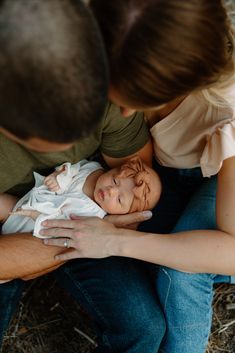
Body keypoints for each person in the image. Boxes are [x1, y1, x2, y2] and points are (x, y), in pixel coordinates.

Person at [40, 1, 235, 353]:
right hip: (161, 182)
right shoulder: (109, 29)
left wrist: (116, 241)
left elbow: (230, 249)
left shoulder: (228, 109)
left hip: (220, 190)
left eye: (137, 101)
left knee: (182, 271)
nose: (127, 113)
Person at [0, 1, 165, 353]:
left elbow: (133, 184)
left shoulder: (97, 70)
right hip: (36, 222)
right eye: (55, 135)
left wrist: (100, 230)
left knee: (143, 326)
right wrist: (59, 244)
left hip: (90, 218)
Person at [0, 156, 161, 281]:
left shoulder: (94, 218)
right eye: (114, 180)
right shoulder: (93, 169)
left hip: (29, 233)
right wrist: (58, 176)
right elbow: (70, 169)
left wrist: (36, 215)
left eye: (119, 199)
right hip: (21, 205)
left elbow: (60, 228)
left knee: (11, 270)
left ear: (124, 214)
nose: (111, 190)